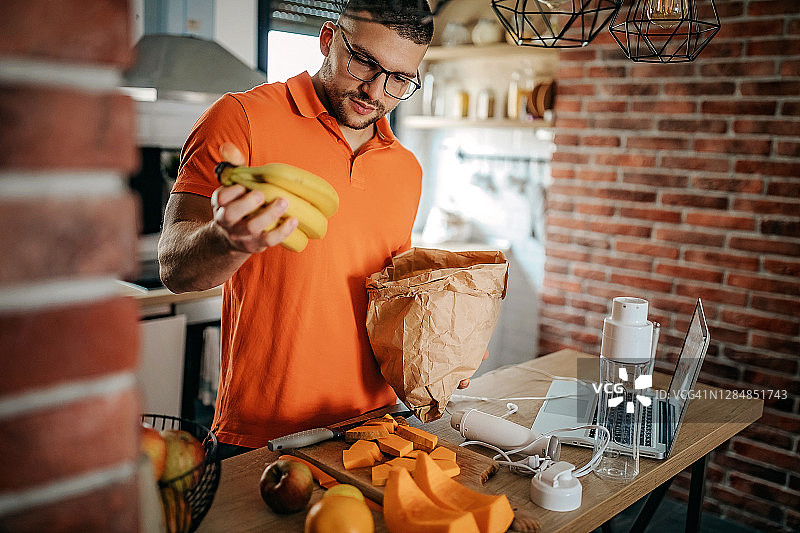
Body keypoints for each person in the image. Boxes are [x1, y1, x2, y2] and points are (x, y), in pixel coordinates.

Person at [158, 0, 482, 459]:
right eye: (364, 63)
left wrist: (442, 346)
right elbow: (175, 268)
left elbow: (389, 298)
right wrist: (227, 240)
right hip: (263, 430)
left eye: (399, 79)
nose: (376, 90)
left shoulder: (407, 168)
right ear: (328, 39)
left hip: (373, 425)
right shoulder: (240, 119)